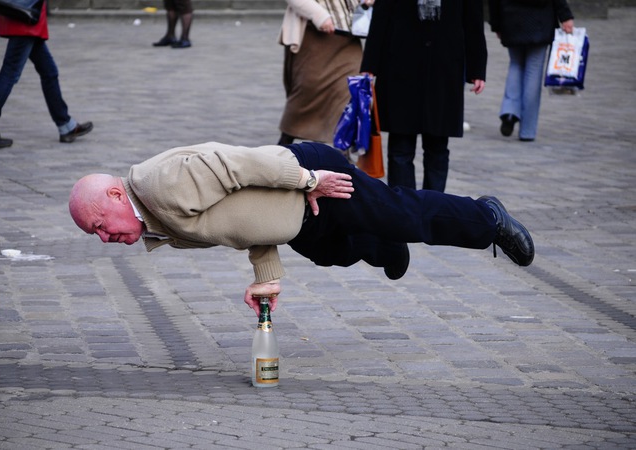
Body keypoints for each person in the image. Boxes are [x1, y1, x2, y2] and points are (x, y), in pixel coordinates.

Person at [69, 141, 535, 316]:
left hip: (311, 178)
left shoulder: (160, 186)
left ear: (114, 197)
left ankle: (487, 218)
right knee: (337, 252)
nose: (105, 237)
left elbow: (242, 163)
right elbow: (241, 223)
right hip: (297, 215)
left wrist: (308, 179)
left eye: (99, 227)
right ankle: (386, 246)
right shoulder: (152, 217)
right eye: (97, 237)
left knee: (402, 212)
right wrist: (266, 274)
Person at [360, 0, 487, 192]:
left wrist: (477, 68)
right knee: (400, 145)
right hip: (400, 63)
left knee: (437, 145)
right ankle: (403, 208)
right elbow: (382, 14)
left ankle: (434, 207)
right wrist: (370, 65)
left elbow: (473, 20)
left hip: (444, 66)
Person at [0, 0, 93, 149]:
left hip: (27, 19)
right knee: (10, 73)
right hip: (24, 20)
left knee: (49, 72)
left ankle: (66, 125)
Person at [277, 0, 374, 145]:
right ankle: (285, 143)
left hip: (349, 36)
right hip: (314, 34)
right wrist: (320, 16)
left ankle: (343, 149)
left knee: (351, 90)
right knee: (307, 94)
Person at [489, 0, 574, 142]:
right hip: (540, 19)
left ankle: (509, 112)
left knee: (515, 64)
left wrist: (496, 23)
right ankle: (527, 130)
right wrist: (565, 16)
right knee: (534, 69)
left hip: (511, 18)